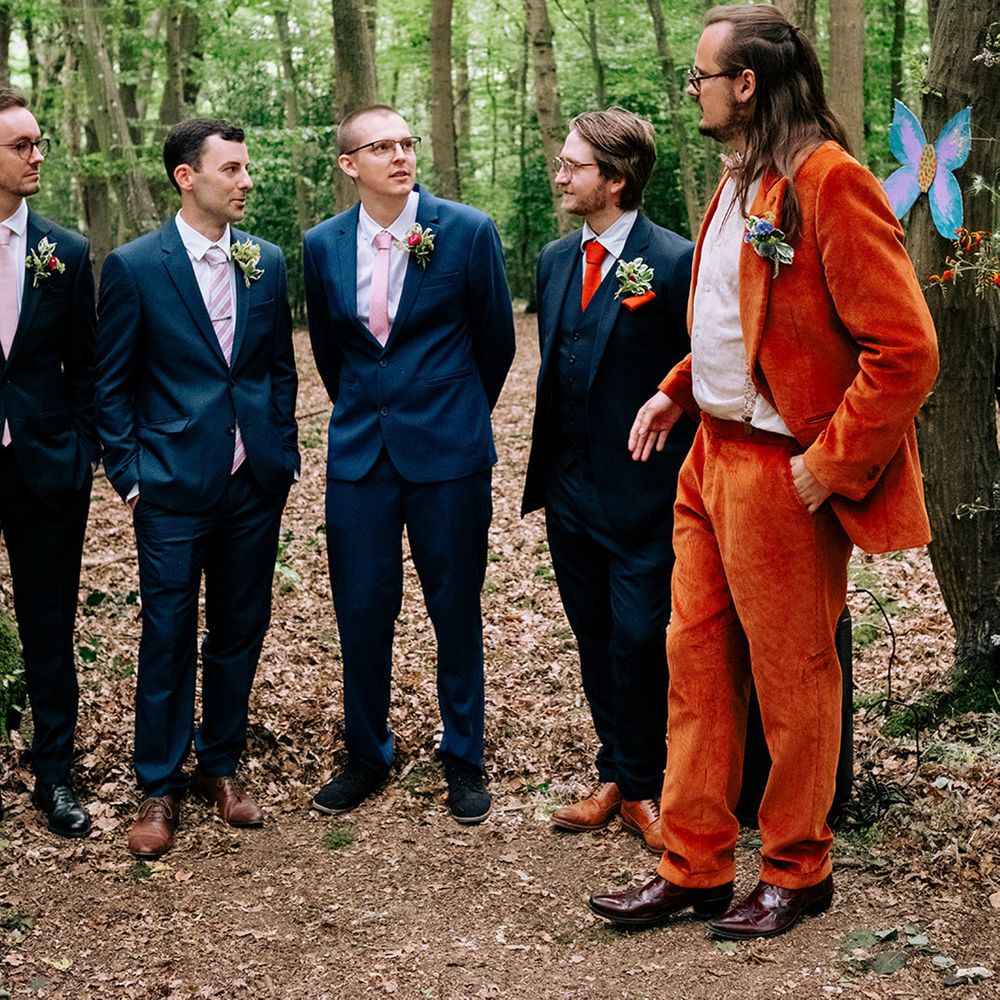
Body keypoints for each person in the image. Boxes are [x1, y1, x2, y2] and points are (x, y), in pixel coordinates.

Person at [589, 4, 938, 938]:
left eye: (702, 76)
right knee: (695, 667)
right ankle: (695, 864)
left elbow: (906, 350)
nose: (693, 90)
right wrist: (676, 389)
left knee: (794, 679)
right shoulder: (738, 178)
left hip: (785, 473)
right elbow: (734, 316)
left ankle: (797, 867)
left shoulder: (831, 183)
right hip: (708, 457)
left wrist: (830, 466)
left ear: (747, 85)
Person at [303, 105, 515, 824]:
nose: (399, 155)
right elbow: (333, 354)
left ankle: (463, 755)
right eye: (380, 146)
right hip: (361, 452)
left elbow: (496, 344)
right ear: (348, 165)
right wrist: (373, 409)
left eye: (406, 142)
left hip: (449, 452)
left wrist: (451, 415)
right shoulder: (321, 244)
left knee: (453, 604)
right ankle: (367, 751)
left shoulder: (466, 231)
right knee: (361, 607)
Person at [95, 118, 299, 858]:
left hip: (253, 484)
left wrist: (283, 454)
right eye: (233, 169)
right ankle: (158, 782)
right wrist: (130, 477)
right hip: (170, 486)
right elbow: (109, 384)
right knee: (168, 631)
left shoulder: (266, 261)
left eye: (247, 168)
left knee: (241, 629)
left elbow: (278, 366)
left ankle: (221, 766)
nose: (247, 181)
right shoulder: (135, 266)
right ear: (188, 177)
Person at [521, 109, 694, 852]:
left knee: (639, 638)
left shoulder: (677, 262)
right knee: (594, 638)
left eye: (573, 165)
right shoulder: (555, 260)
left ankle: (650, 786)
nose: (559, 174)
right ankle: (616, 777)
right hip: (569, 493)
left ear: (617, 179)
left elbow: (701, 375)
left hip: (647, 495)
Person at [0, 89, 98, 838]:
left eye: (39, 143)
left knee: (48, 626)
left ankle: (55, 777)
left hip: (46, 467)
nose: (37, 157)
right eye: (21, 145)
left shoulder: (64, 251)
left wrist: (82, 449)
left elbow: (88, 367)